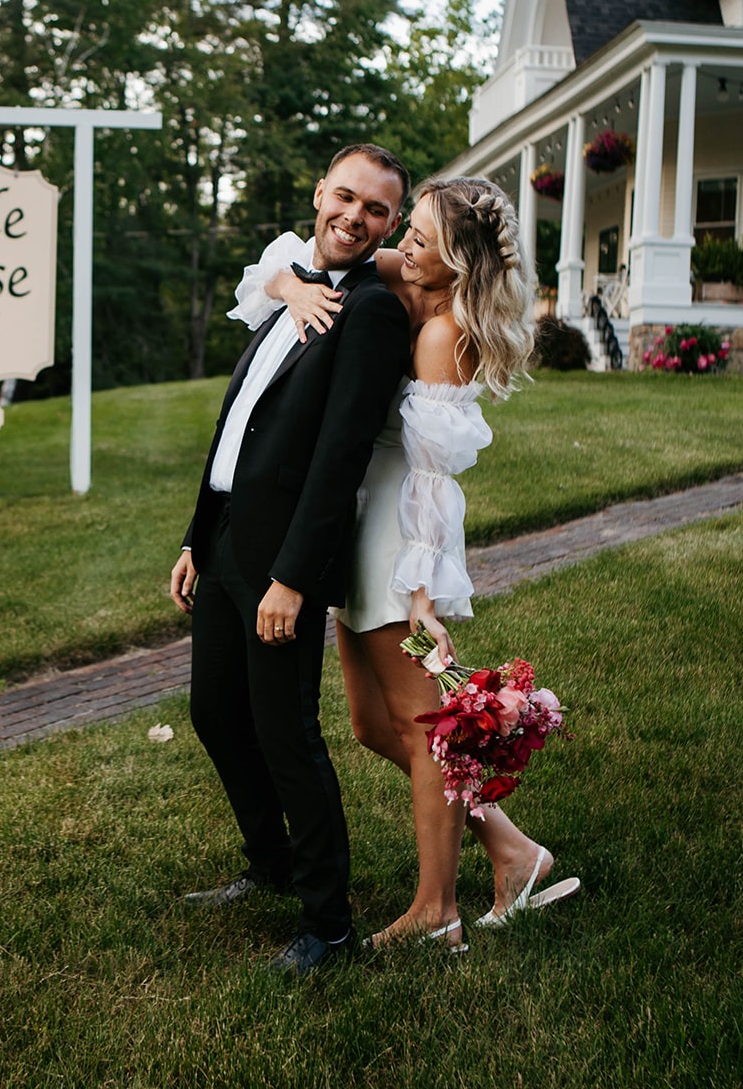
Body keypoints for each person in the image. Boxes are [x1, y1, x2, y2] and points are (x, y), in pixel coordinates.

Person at [230, 175, 580, 950]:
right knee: (370, 725)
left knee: (428, 728)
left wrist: (422, 596)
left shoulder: (440, 331)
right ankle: (515, 852)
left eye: (420, 238)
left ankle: (437, 908)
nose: (402, 247)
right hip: (362, 527)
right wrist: (291, 287)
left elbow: (431, 478)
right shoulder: (407, 274)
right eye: (409, 231)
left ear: (456, 260)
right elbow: (286, 257)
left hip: (403, 539)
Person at [170, 144, 412, 976]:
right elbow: (238, 422)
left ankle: (328, 922)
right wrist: (197, 539)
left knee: (286, 736)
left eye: (376, 210)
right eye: (345, 197)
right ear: (320, 193)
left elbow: (340, 455)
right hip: (229, 539)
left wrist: (295, 579)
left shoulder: (373, 311)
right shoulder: (293, 286)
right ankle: (267, 863)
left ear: (392, 225)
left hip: (285, 562)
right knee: (215, 714)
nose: (355, 216)